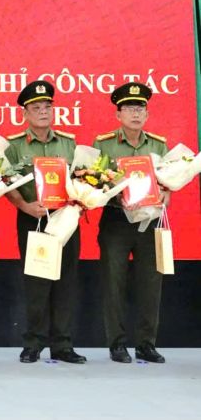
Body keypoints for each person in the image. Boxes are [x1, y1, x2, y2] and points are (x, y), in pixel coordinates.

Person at [5, 80, 85, 364]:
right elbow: (5, 182)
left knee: (66, 282)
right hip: (33, 218)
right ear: (25, 114)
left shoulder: (68, 141)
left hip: (66, 219)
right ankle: (33, 343)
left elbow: (81, 177)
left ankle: (63, 345)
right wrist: (23, 205)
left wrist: (80, 198)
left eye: (47, 107)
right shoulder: (14, 146)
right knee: (37, 282)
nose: (42, 112)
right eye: (36, 108)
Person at [93, 82, 169, 364]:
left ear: (146, 115)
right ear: (118, 115)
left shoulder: (159, 144)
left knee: (151, 283)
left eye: (140, 108)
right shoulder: (103, 144)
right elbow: (93, 180)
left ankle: (146, 344)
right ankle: (117, 344)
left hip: (150, 222)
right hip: (117, 221)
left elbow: (168, 180)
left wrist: (165, 195)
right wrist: (114, 195)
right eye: (129, 109)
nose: (135, 113)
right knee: (114, 283)